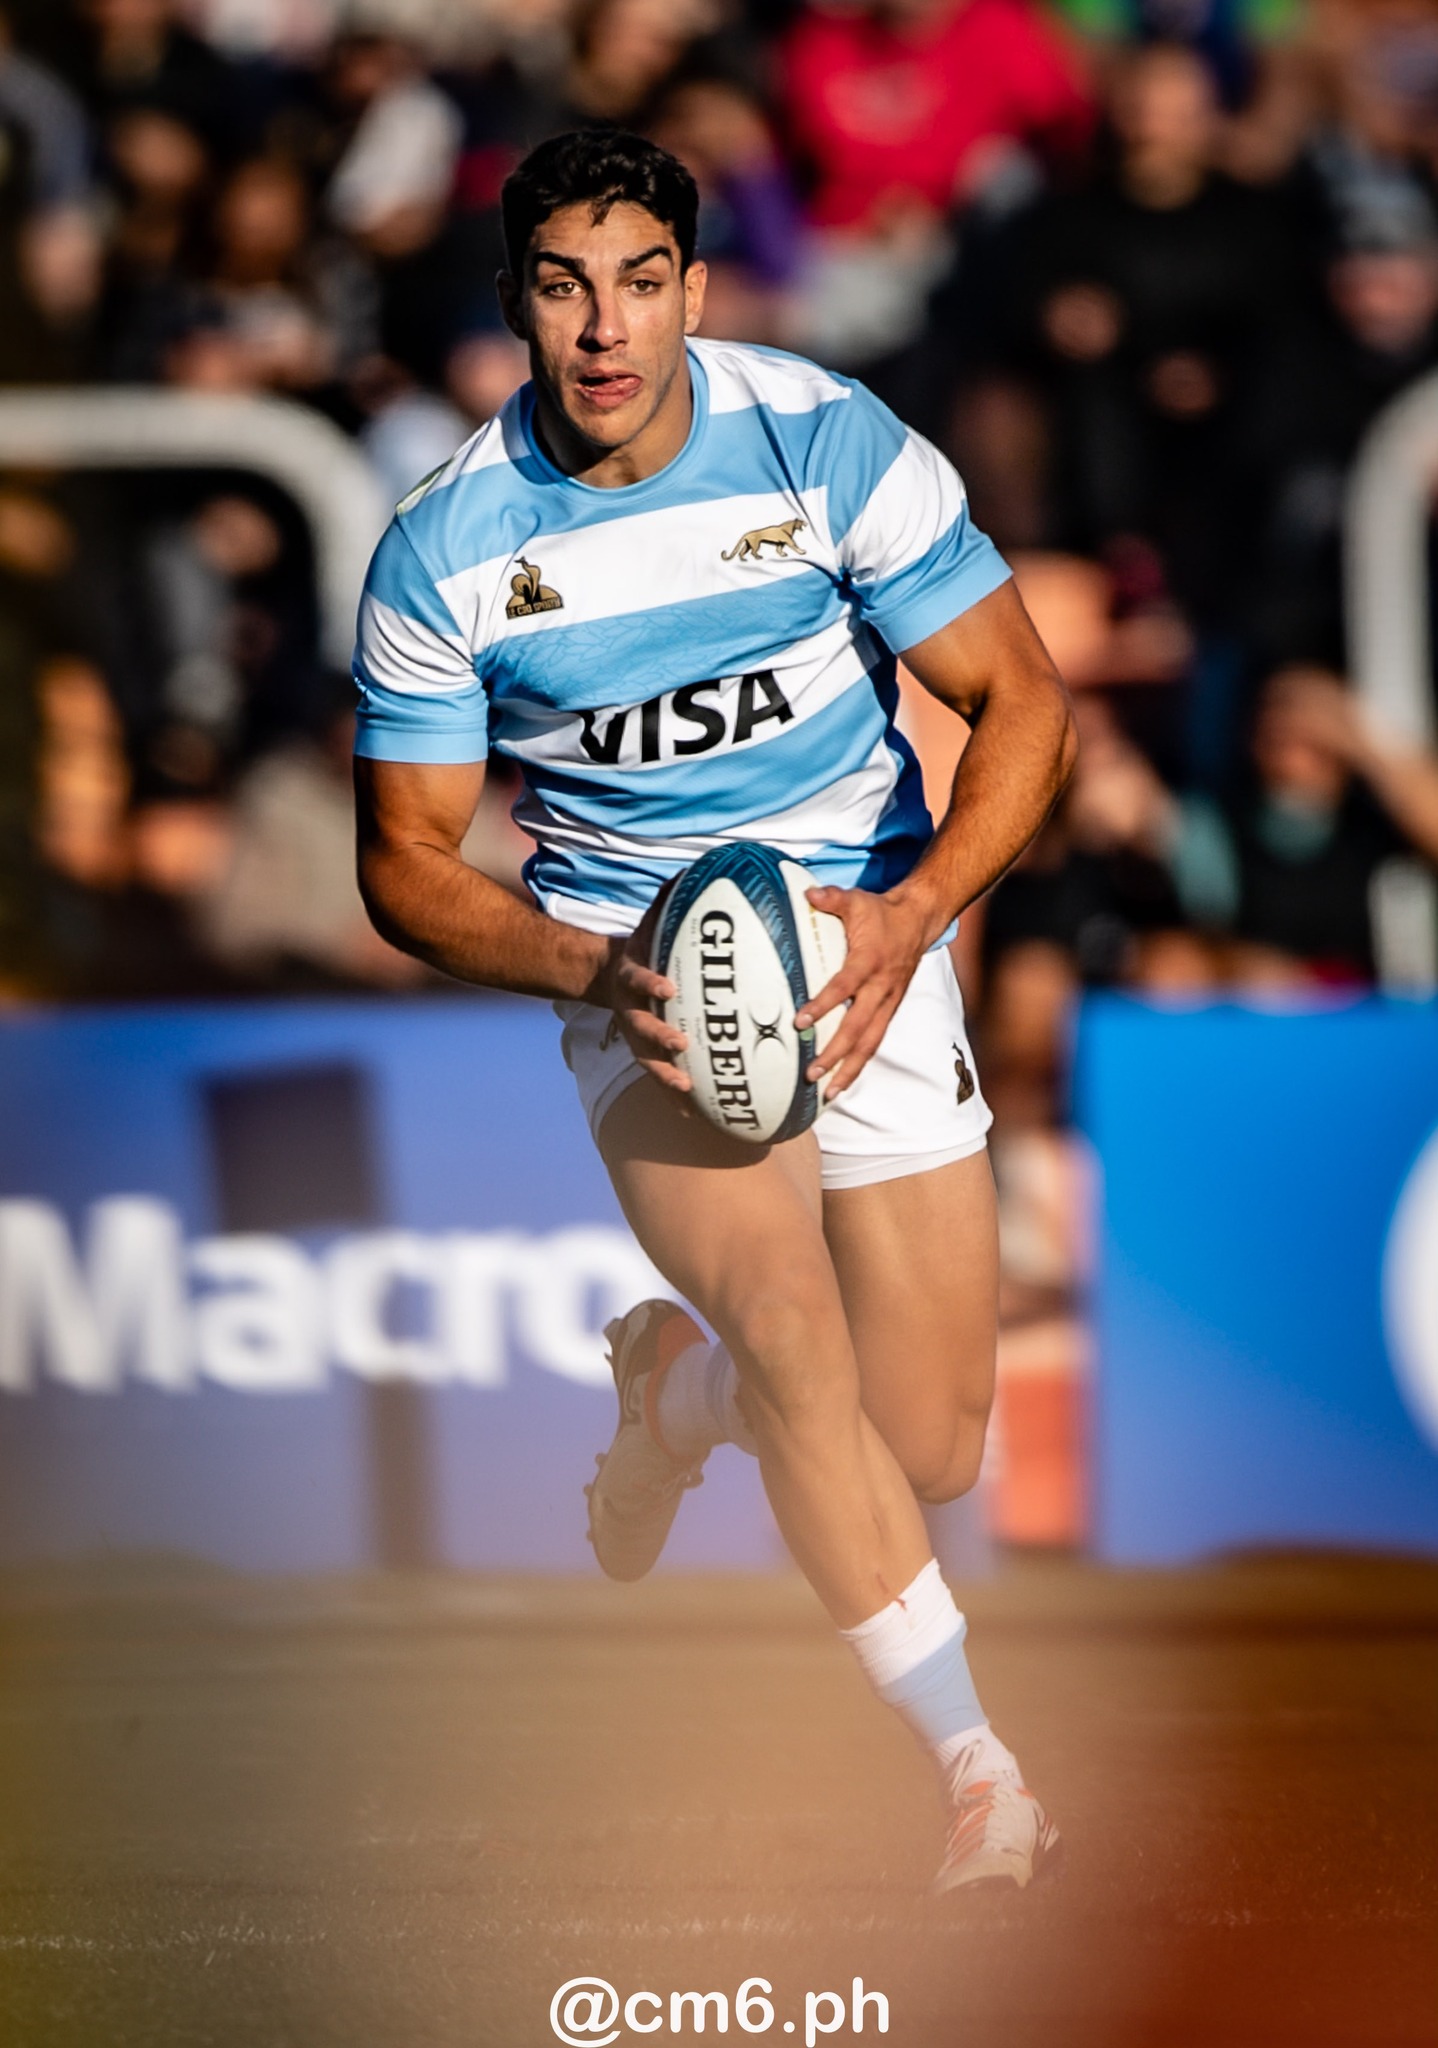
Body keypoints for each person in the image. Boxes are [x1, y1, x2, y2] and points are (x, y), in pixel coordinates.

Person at [351, 130, 1076, 1893]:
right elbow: (406, 864)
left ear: (694, 281)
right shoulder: (445, 547)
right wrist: (611, 973)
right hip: (642, 975)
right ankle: (978, 1771)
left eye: (640, 279)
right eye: (560, 283)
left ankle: (670, 1398)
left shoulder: (820, 441)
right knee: (792, 1331)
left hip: (864, 943)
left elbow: (1025, 704)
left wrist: (912, 916)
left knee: (932, 1441)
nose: (604, 327)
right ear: (515, 297)